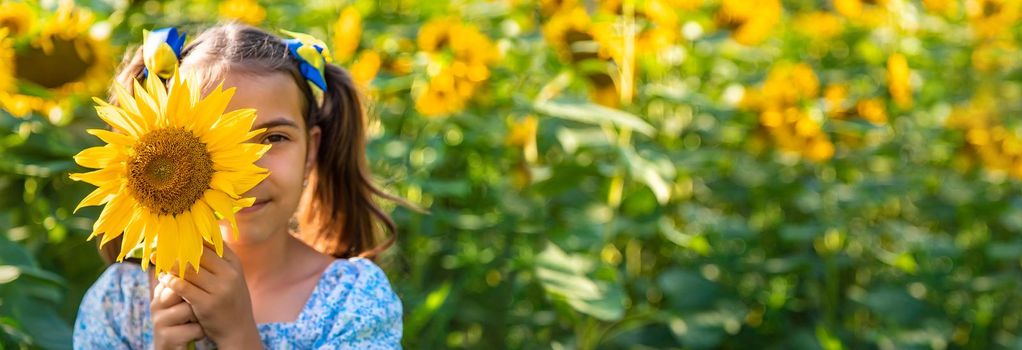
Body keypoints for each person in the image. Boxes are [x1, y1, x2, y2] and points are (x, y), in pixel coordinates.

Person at [72, 24, 405, 349]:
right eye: (214, 141)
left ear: (311, 150)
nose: (247, 171)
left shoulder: (353, 302)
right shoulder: (120, 303)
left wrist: (239, 337)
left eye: (274, 138)